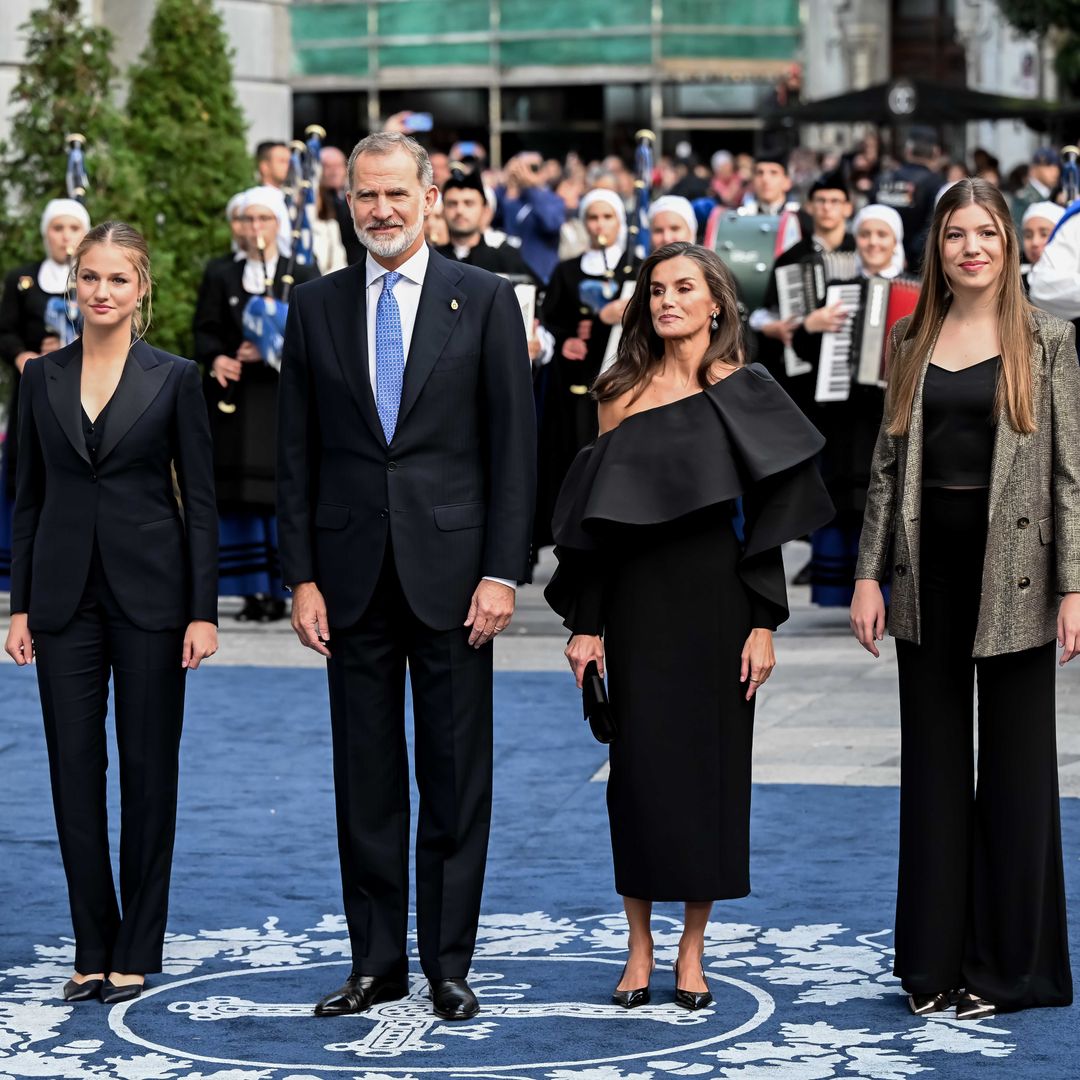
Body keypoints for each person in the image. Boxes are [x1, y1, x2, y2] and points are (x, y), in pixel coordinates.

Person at [276, 131, 536, 1022]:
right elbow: (294, 457)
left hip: (458, 579)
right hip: (348, 581)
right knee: (367, 782)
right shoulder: (312, 306)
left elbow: (515, 450)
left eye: (395, 194)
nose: (380, 211)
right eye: (364, 197)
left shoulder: (488, 299)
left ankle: (448, 963)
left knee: (457, 778)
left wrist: (505, 571)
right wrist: (300, 577)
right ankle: (376, 961)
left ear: (432, 198)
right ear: (346, 205)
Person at [545, 242, 831, 1011]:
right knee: (636, 781)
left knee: (710, 779)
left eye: (684, 288)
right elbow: (595, 526)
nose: (667, 299)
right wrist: (586, 623)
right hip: (636, 606)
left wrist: (764, 622)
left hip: (720, 605)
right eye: (656, 289)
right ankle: (638, 946)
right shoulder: (619, 393)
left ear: (716, 305)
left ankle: (691, 950)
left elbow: (767, 522)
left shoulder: (749, 390)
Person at [850, 178, 1079, 1019]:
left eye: (986, 232)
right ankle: (933, 967)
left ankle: (1013, 971)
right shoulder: (911, 334)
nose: (971, 247)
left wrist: (1076, 588)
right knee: (934, 769)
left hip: (1016, 572)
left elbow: (1071, 476)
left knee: (1019, 772)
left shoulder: (1048, 339)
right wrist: (867, 571)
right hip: (924, 575)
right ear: (937, 247)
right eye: (956, 235)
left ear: (1009, 243)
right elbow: (883, 467)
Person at [4, 221, 218, 1005]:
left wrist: (203, 611)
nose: (100, 291)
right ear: (73, 283)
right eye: (88, 277)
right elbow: (25, 499)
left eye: (116, 279)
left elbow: (200, 502)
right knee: (72, 775)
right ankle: (90, 944)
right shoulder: (39, 378)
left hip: (156, 599)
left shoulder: (175, 378)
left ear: (141, 289)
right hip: (61, 601)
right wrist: (20, 604)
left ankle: (137, 945)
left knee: (149, 772)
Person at [193, 185, 319, 622]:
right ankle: (249, 590)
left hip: (281, 397)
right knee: (239, 494)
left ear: (278, 224)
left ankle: (285, 587)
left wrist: (274, 346)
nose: (255, 228)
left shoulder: (299, 270)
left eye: (263, 219)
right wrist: (219, 357)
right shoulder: (221, 272)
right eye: (247, 220)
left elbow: (315, 332)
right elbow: (204, 328)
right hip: (237, 399)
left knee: (278, 491)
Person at [789, 203, 917, 606]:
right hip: (848, 419)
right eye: (866, 235)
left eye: (882, 235)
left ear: (895, 241)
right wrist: (811, 326)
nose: (873, 243)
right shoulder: (839, 292)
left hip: (895, 413)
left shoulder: (916, 291)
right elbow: (808, 355)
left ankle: (895, 591)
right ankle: (848, 590)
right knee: (849, 500)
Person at [535, 189, 639, 551]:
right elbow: (550, 320)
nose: (599, 226)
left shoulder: (636, 267)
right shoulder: (567, 271)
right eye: (592, 218)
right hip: (576, 384)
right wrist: (564, 341)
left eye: (607, 217)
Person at [0, 199, 91, 590]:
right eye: (58, 227)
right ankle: (25, 574)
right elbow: (5, 330)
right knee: (31, 473)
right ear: (45, 232)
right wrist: (24, 356)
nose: (65, 236)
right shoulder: (23, 279)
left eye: (73, 228)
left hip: (82, 387)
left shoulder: (91, 280)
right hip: (35, 388)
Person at [752, 173, 855, 414]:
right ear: (809, 207)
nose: (827, 208)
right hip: (805, 369)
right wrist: (775, 326)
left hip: (850, 367)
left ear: (848, 208)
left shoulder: (862, 251)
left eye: (835, 201)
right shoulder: (791, 257)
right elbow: (766, 313)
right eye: (820, 201)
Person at [871, 126, 941, 272]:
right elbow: (932, 226)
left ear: (908, 151)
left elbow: (870, 217)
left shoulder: (882, 180)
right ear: (935, 153)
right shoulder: (936, 184)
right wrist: (908, 255)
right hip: (917, 264)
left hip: (879, 257)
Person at [495, 151, 566, 283]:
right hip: (510, 274)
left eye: (533, 168)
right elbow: (489, 216)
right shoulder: (508, 197)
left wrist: (533, 187)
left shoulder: (553, 200)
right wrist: (505, 182)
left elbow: (551, 224)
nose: (526, 173)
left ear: (544, 172)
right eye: (521, 168)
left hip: (542, 277)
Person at [1021, 201, 1065, 293]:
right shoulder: (1014, 281)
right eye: (1028, 235)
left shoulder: (1073, 279)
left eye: (1044, 234)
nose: (1035, 242)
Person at [1011, 147, 1061, 228]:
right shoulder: (1023, 199)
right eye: (1048, 165)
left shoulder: (1054, 195)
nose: (1055, 171)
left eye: (1057, 166)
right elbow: (1018, 235)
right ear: (1034, 169)